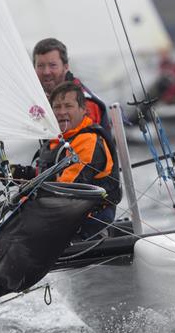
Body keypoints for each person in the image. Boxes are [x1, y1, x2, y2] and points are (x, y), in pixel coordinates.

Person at [13, 82, 121, 238]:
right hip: (59, 218)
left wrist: (23, 202)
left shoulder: (88, 141)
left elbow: (66, 190)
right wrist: (23, 173)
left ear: (84, 110)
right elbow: (49, 174)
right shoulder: (57, 141)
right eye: (57, 107)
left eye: (68, 106)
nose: (61, 112)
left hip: (88, 223)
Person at [32, 37, 109, 126]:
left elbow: (88, 138)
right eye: (40, 66)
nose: (46, 72)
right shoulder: (32, 97)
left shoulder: (84, 102)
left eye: (52, 65)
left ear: (66, 67)